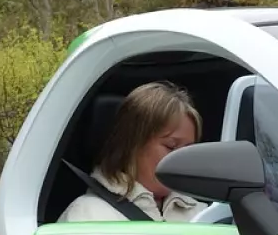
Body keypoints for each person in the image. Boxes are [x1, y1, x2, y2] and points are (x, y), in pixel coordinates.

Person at [59, 81, 206, 223]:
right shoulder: (87, 216)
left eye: (187, 150)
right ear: (133, 144)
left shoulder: (203, 215)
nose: (181, 160)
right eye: (171, 146)